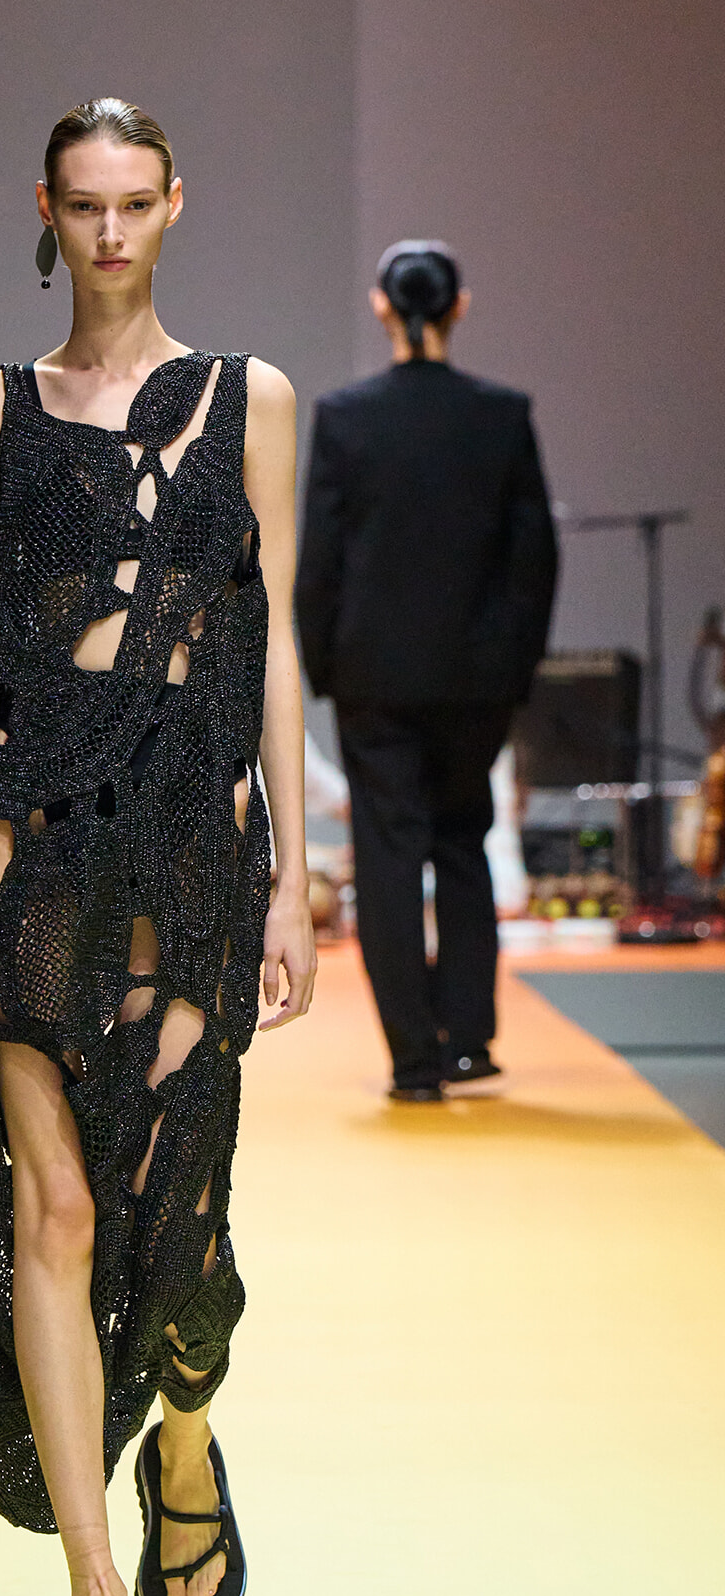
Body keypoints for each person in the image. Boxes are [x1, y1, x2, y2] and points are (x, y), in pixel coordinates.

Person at [0, 98, 315, 1596]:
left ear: (174, 207)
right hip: (38, 853)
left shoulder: (253, 401)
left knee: (181, 1240)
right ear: (50, 213)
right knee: (56, 1224)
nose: (112, 234)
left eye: (137, 204)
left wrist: (295, 869)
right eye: (84, 206)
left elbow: (271, 637)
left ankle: (191, 1430)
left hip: (195, 865)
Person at [295, 241, 558, 1101]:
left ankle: (413, 1059)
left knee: (389, 855)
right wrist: (514, 672)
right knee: (462, 841)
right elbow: (534, 562)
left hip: (374, 675)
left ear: (382, 307)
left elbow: (321, 560)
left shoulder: (346, 417)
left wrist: (327, 668)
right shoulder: (502, 414)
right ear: (460, 306)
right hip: (476, 678)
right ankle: (469, 1041)